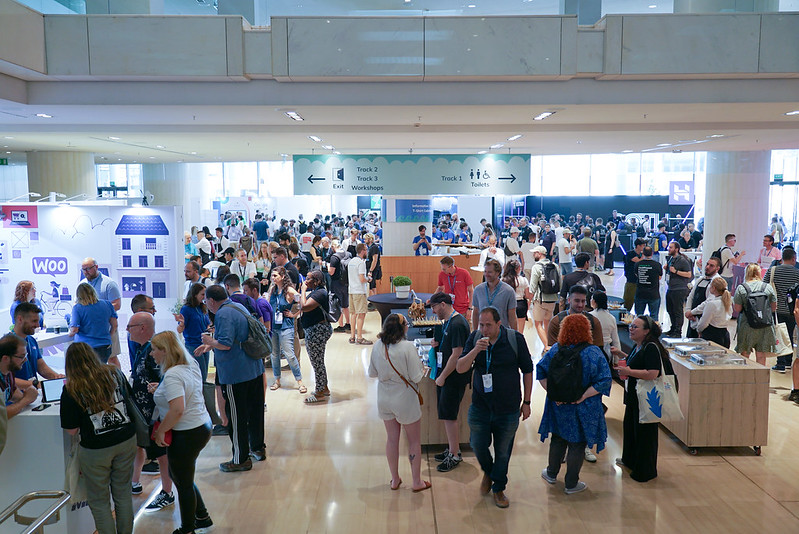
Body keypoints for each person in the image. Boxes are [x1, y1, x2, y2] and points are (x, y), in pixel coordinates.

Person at [455, 307, 533, 509]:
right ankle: (490, 473)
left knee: (503, 451)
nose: (484, 329)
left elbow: (527, 370)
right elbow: (460, 367)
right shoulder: (475, 339)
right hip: (480, 406)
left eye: (489, 325)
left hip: (508, 408)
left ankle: (499, 488)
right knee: (477, 444)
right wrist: (475, 350)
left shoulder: (515, 339)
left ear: (500, 324)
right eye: (481, 324)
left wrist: (527, 402)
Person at [60, 342, 137, 534]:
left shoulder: (72, 388)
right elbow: (130, 399)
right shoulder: (114, 373)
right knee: (123, 494)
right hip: (126, 439)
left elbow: (71, 430)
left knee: (100, 501)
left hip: (96, 450)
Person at [538, 314, 611, 495]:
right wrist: (582, 396)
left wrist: (553, 393)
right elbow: (604, 380)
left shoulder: (555, 349)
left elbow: (540, 371)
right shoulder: (593, 353)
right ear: (587, 330)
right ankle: (571, 483)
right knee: (577, 444)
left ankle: (551, 473)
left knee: (558, 438)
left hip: (558, 406)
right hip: (583, 407)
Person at [195, 285, 265, 472]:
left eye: (205, 301)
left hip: (236, 374)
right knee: (255, 412)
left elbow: (225, 344)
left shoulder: (223, 314)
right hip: (254, 368)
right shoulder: (237, 306)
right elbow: (235, 338)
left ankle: (240, 459)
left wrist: (209, 342)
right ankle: (257, 448)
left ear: (211, 301)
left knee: (237, 417)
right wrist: (211, 347)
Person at [149, 331, 213, 534]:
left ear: (165, 351)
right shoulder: (189, 364)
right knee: (183, 477)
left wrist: (161, 432)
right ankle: (201, 516)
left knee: (182, 482)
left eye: (154, 350)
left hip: (187, 432)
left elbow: (177, 409)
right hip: (201, 425)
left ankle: (187, 529)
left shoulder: (173, 375)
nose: (151, 354)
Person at [367, 313, 429, 492]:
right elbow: (416, 377)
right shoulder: (407, 347)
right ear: (402, 328)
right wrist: (424, 369)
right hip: (404, 398)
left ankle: (395, 479)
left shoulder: (378, 345)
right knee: (414, 441)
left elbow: (372, 373)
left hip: (384, 397)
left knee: (392, 439)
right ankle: (416, 481)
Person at [611, 316, 675, 483]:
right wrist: (621, 354)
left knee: (645, 434)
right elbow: (638, 362)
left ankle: (644, 471)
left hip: (646, 398)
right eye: (631, 326)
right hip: (635, 396)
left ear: (647, 331)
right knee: (631, 428)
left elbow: (653, 373)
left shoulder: (652, 347)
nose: (631, 329)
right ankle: (630, 460)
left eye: (635, 327)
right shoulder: (639, 346)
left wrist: (629, 372)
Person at [127, 312, 175, 512]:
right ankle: (135, 481)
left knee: (161, 453)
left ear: (142, 328)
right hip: (142, 413)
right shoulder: (143, 349)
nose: (127, 330)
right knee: (140, 446)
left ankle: (167, 491)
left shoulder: (153, 350)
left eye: (130, 326)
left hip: (153, 414)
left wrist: (159, 388)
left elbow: (166, 378)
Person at [429, 292, 471, 473]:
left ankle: (454, 455)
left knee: (450, 416)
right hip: (447, 375)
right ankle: (453, 449)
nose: (433, 311)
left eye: (434, 307)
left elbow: (457, 355)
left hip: (453, 378)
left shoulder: (458, 324)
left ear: (443, 304)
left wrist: (443, 376)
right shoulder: (448, 323)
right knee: (447, 414)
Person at [266, 267, 306, 393]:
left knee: (290, 354)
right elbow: (268, 304)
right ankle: (277, 379)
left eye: (275, 276)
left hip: (286, 326)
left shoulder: (289, 290)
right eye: (272, 276)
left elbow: (300, 303)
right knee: (274, 354)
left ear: (282, 276)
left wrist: (294, 315)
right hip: (274, 326)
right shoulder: (272, 289)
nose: (273, 278)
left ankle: (300, 381)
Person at [298, 270, 334, 404]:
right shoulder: (318, 291)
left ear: (317, 281)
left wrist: (303, 291)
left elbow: (304, 306)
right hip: (314, 330)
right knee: (318, 360)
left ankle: (319, 393)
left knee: (317, 361)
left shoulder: (320, 293)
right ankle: (324, 387)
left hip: (317, 331)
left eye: (308, 279)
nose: (305, 281)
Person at [80, 257, 122, 365]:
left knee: (112, 358)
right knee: (92, 360)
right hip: (89, 330)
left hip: (108, 327)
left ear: (96, 267)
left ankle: (118, 381)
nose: (86, 272)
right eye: (83, 269)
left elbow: (117, 305)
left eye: (88, 269)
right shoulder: (82, 284)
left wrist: (97, 310)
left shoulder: (109, 284)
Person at [11, 303, 64, 388]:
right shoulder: (6, 345)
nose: (37, 325)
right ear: (20, 319)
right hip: (18, 398)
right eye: (34, 321)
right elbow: (5, 379)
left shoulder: (32, 340)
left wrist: (56, 377)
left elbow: (42, 368)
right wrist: (34, 384)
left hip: (35, 395)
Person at [734, 263, 777, 366]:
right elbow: (773, 307)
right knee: (761, 355)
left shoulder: (741, 288)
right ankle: (760, 379)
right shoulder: (767, 287)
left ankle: (745, 378)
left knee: (745, 354)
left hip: (746, 325)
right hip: (765, 325)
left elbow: (737, 308)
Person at [765, 247, 799, 372]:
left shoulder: (773, 270)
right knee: (789, 334)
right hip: (791, 310)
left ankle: (780, 363)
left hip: (776, 308)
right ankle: (788, 360)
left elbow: (764, 287)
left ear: (782, 258)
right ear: (793, 259)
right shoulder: (797, 273)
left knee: (778, 334)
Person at [69, 283, 119, 365]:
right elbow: (115, 325)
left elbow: (74, 330)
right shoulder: (107, 304)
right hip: (105, 346)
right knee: (101, 370)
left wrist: (70, 333)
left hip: (85, 348)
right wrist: (110, 335)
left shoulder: (78, 308)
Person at [175, 283, 212, 381]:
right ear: (195, 294)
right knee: (199, 376)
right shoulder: (186, 309)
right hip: (193, 345)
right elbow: (179, 329)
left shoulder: (202, 308)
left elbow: (207, 325)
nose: (204, 297)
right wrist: (182, 324)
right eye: (202, 294)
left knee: (204, 375)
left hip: (205, 345)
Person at [471, 259, 517, 331]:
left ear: (498, 273)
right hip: (483, 333)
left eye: (490, 272)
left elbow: (512, 316)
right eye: (485, 271)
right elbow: (476, 313)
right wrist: (475, 332)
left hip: (502, 334)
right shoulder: (478, 290)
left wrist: (515, 336)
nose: (486, 274)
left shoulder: (508, 291)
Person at [0, 334, 38, 418]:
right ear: (5, 358)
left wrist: (29, 395)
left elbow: (17, 396)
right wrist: (26, 400)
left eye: (26, 355)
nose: (25, 359)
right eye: (21, 357)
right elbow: (2, 415)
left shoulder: (8, 373)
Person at [684, 256, 721, 338]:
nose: (707, 267)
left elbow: (709, 302)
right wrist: (688, 310)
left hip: (706, 322)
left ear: (717, 268)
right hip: (692, 320)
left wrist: (692, 312)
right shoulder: (700, 279)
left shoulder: (717, 282)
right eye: (707, 264)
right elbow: (691, 296)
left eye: (711, 266)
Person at [528, 245, 559, 346]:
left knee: (538, 324)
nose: (533, 255)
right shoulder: (555, 266)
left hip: (540, 300)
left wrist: (528, 302)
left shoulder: (536, 267)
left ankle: (547, 346)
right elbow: (560, 284)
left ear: (539, 254)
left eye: (535, 253)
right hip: (553, 299)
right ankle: (550, 344)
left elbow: (532, 288)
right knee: (548, 323)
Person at [689, 277, 732, 348]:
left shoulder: (712, 304)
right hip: (725, 335)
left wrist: (699, 330)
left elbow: (704, 322)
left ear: (714, 288)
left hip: (712, 336)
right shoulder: (728, 302)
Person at [664, 242, 694, 337]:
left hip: (679, 288)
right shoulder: (670, 259)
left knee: (677, 310)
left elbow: (689, 274)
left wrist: (676, 271)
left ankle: (678, 331)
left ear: (676, 249)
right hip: (671, 287)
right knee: (670, 309)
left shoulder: (683, 260)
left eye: (671, 247)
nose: (669, 249)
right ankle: (673, 328)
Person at [435, 256, 474, 320]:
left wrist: (470, 308)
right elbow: (440, 288)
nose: (442, 270)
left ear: (451, 267)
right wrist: (432, 299)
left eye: (444, 269)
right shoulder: (442, 274)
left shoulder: (464, 273)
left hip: (462, 309)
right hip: (448, 308)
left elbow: (471, 291)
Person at [348, 243, 372, 345]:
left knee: (353, 314)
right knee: (361, 314)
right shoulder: (361, 263)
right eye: (366, 250)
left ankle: (352, 336)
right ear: (362, 251)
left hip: (351, 290)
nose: (367, 252)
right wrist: (369, 279)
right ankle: (360, 337)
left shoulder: (351, 262)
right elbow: (362, 279)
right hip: (359, 291)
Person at [502, 259, 532, 333]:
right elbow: (527, 295)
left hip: (507, 304)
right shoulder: (523, 280)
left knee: (508, 329)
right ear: (517, 269)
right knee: (520, 331)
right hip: (521, 304)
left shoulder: (503, 280)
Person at [590, 291, 621, 361]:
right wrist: (616, 360)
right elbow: (616, 340)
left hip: (592, 349)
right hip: (607, 352)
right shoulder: (611, 318)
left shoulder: (589, 316)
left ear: (594, 301)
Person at [328, 241, 352, 334]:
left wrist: (327, 266)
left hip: (336, 282)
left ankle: (341, 325)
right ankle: (348, 324)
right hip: (346, 282)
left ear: (333, 247)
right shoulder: (348, 254)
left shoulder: (334, 257)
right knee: (345, 304)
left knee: (338, 304)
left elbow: (331, 272)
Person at [634, 246, 663, 319]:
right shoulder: (657, 265)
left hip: (640, 294)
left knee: (639, 316)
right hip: (654, 294)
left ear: (643, 253)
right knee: (654, 316)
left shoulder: (638, 264)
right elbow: (660, 277)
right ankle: (653, 330)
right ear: (652, 253)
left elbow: (636, 275)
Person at [623, 238, 645, 311]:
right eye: (643, 245)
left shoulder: (641, 255)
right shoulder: (630, 254)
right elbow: (638, 262)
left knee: (639, 302)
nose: (644, 247)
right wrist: (643, 256)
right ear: (638, 246)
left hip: (641, 281)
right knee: (628, 300)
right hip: (631, 280)